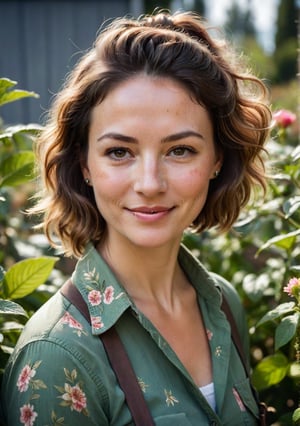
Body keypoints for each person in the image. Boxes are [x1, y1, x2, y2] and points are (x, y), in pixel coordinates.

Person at [1, 10, 271, 426]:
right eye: (119, 152)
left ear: (218, 158)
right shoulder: (57, 357)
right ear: (84, 163)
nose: (149, 183)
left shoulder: (223, 304)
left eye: (180, 150)